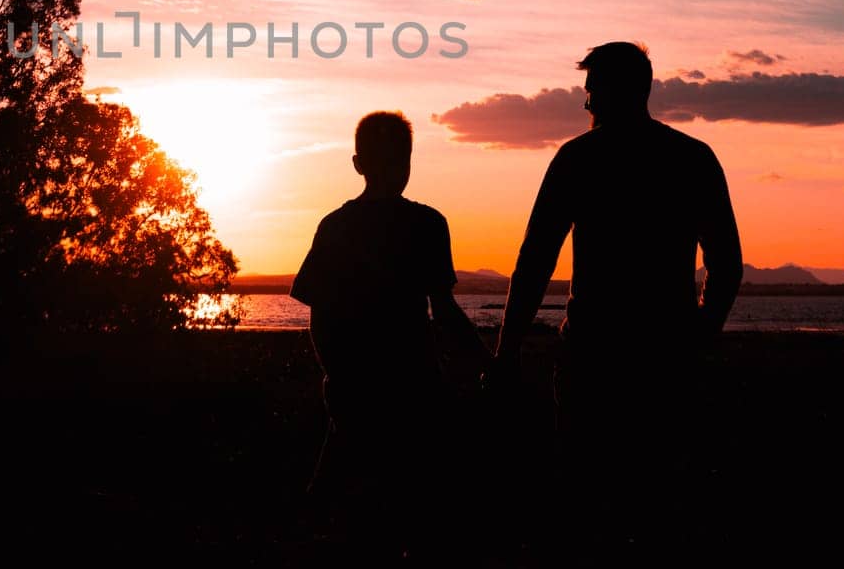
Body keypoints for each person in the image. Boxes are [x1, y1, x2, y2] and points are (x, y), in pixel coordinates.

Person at [492, 41, 743, 551]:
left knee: (588, 497)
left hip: (594, 358)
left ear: (615, 92)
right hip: (666, 357)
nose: (586, 105)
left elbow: (535, 260)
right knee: (662, 496)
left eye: (591, 93)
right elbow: (727, 266)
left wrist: (506, 350)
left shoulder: (578, 159)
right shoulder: (692, 158)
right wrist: (700, 332)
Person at [290, 110, 489, 553]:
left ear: (358, 163)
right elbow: (446, 310)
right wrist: (487, 363)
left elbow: (319, 315)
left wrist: (337, 378)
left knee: (350, 505)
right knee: (407, 507)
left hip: (379, 388)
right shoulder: (426, 224)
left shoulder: (338, 226)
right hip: (407, 386)